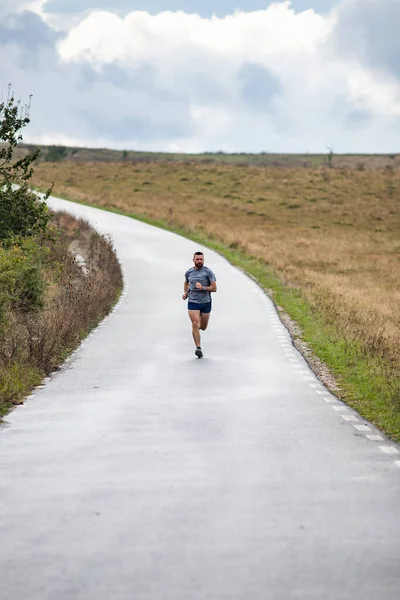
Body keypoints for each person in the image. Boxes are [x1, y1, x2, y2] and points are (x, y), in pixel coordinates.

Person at [182, 251, 217, 358]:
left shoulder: (208, 272)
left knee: (203, 326)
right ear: (193, 260)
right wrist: (186, 293)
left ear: (203, 260)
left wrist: (203, 288)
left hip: (205, 302)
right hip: (193, 302)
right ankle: (198, 348)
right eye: (197, 259)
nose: (199, 261)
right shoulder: (189, 272)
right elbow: (186, 282)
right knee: (195, 323)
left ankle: (198, 329)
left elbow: (214, 288)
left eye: (201, 259)